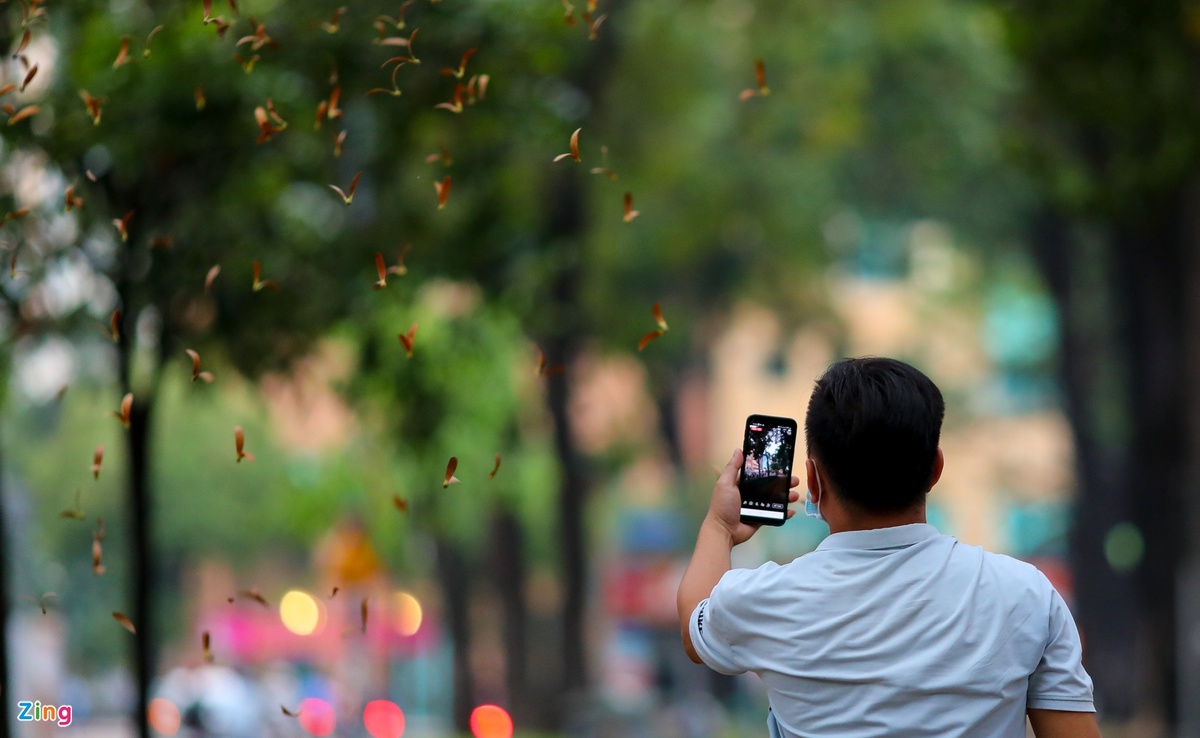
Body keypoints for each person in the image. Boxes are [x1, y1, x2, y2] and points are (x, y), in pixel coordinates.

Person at [676, 357, 1100, 738]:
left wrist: (719, 527)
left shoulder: (765, 598)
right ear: (935, 469)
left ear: (814, 479)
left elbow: (695, 630)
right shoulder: (1026, 595)